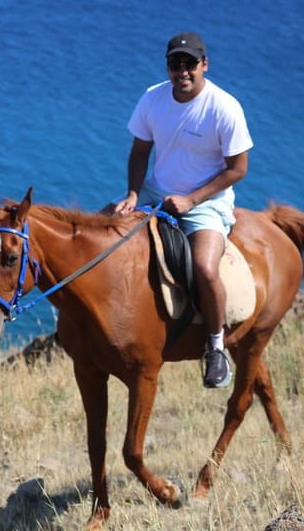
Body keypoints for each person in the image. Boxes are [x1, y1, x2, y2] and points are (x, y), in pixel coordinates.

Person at [110, 32, 253, 388]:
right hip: (155, 194)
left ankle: (215, 347)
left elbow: (238, 169)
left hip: (206, 204)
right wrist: (131, 193)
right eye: (176, 64)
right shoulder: (152, 99)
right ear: (168, 66)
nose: (183, 71)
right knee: (98, 236)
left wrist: (192, 199)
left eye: (190, 64)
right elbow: (140, 150)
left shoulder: (225, 107)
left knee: (204, 268)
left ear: (205, 65)